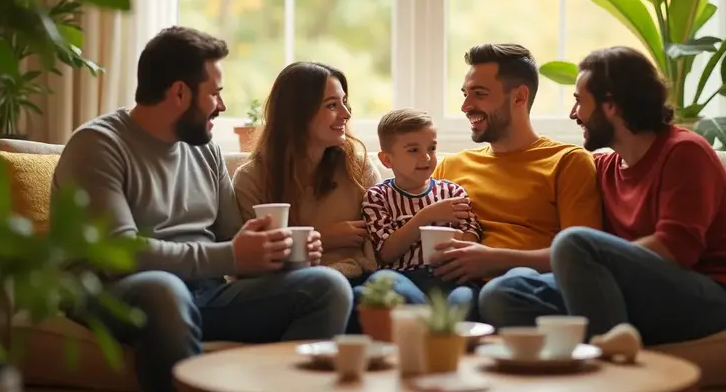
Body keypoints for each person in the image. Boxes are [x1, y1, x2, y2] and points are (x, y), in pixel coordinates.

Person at [52, 27, 353, 392]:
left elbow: (232, 236)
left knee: (327, 286)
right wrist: (230, 256)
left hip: (204, 293)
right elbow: (121, 252)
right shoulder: (98, 145)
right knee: (163, 289)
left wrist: (279, 250)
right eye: (215, 94)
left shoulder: (205, 147)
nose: (222, 106)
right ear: (179, 93)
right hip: (116, 292)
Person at [479, 46, 726, 345]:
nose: (573, 114)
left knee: (574, 242)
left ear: (611, 106)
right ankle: (614, 335)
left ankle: (608, 365)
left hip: (722, 295)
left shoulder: (684, 152)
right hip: (642, 293)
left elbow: (677, 250)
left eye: (580, 101)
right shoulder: (604, 167)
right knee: (503, 293)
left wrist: (599, 263)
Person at [370, 43, 604, 309]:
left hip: (520, 288)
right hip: (452, 287)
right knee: (380, 287)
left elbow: (580, 256)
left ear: (519, 97)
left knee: (506, 288)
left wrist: (494, 259)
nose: (465, 106)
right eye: (465, 94)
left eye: (479, 94)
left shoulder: (567, 162)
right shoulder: (451, 167)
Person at [232, 61, 381, 284]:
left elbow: (380, 248)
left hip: (360, 282)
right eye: (332, 105)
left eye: (345, 103)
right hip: (293, 291)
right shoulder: (251, 179)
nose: (346, 114)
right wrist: (323, 238)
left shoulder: (359, 169)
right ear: (298, 113)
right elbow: (249, 264)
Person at [360, 108, 482, 309]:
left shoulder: (453, 191)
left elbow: (471, 238)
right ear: (387, 160)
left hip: (449, 277)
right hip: (404, 277)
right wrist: (426, 216)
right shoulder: (377, 197)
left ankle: (433, 319)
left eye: (431, 148)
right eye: (413, 150)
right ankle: (432, 318)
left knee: (464, 297)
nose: (426, 157)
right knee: (383, 279)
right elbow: (386, 253)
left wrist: (457, 242)